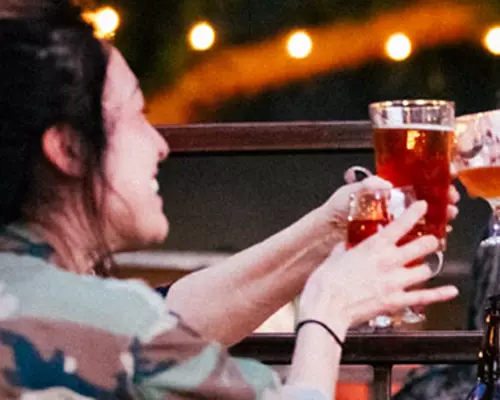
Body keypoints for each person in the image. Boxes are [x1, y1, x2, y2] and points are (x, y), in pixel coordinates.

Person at [0, 0, 460, 398]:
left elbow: (164, 325)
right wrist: (326, 311)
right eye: (138, 114)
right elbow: (139, 335)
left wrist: (329, 230)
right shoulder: (114, 324)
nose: (160, 144)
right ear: (69, 148)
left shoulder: (72, 308)